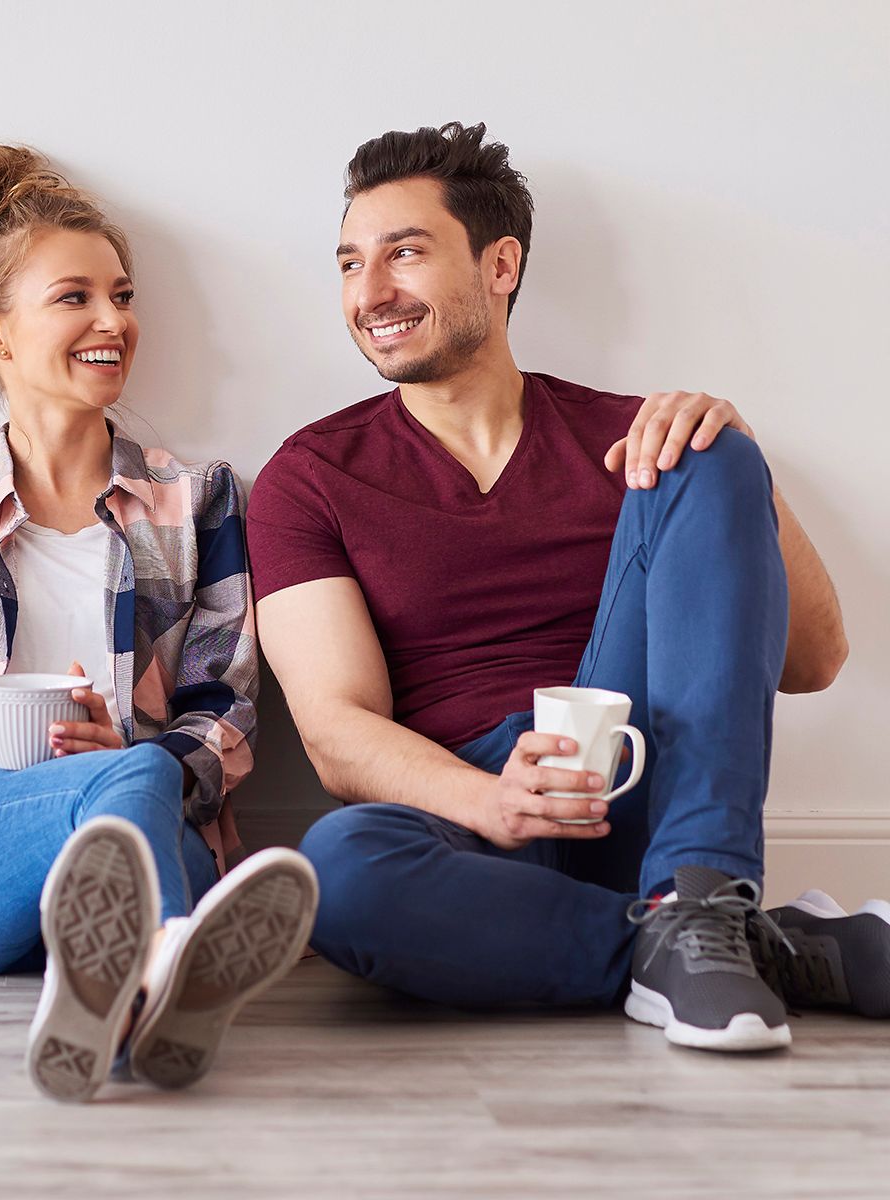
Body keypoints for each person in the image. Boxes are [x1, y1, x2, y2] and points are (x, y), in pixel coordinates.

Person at [248, 122, 888, 1053]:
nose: (370, 292)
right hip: (469, 823)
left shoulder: (640, 439)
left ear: (499, 264)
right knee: (338, 873)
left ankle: (701, 894)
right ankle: (737, 946)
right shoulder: (310, 475)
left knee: (701, 445)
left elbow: (816, 660)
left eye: (406, 253)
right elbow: (337, 733)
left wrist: (740, 458)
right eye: (350, 264)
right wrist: (488, 801)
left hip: (646, 793)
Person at [0, 143, 318, 1102]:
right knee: (130, 772)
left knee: (133, 767)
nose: (112, 321)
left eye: (122, 296)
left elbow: (230, 717)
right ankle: (171, 961)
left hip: (138, 821)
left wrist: (119, 746)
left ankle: (118, 989)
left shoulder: (198, 500)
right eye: (75, 297)